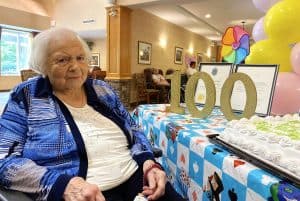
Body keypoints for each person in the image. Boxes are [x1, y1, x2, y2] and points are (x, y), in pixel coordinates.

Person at [0, 28, 185, 201]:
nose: (75, 66)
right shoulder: (26, 97)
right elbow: (4, 161)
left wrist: (148, 163)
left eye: (80, 58)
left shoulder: (102, 90)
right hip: (83, 194)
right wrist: (62, 184)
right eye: (62, 60)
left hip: (138, 181)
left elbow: (134, 129)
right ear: (43, 65)